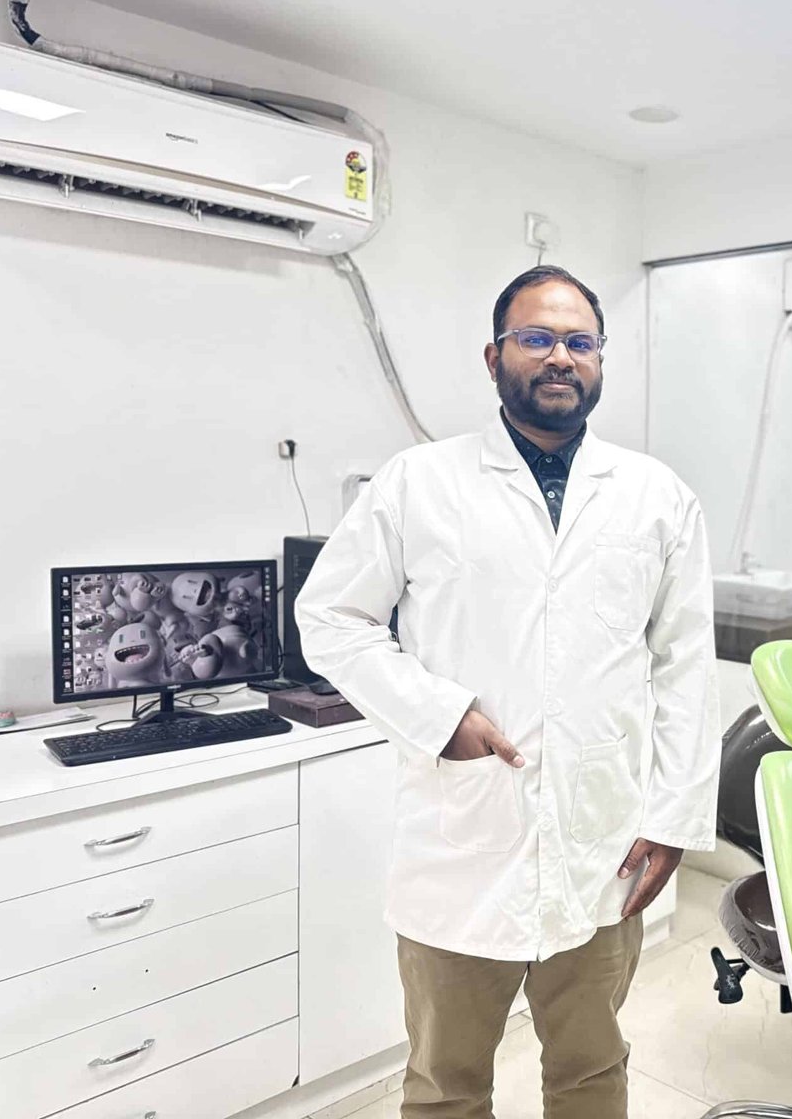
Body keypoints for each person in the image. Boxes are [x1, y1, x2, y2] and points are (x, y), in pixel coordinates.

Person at [296, 264, 720, 1119]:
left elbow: (684, 665)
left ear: (599, 360)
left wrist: (673, 817)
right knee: (446, 1087)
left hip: (603, 848)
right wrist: (439, 716)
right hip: (462, 848)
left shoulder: (657, 497)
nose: (560, 357)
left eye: (579, 342)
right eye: (536, 338)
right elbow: (330, 616)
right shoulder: (418, 482)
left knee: (592, 1073)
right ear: (495, 358)